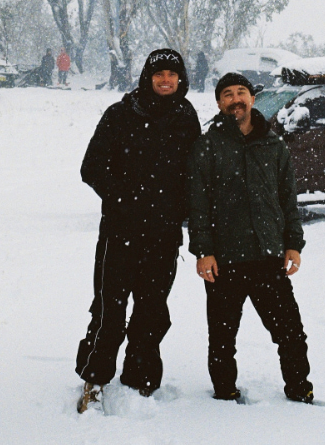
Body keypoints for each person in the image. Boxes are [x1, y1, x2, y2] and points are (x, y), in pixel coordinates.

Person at [75, 48, 201, 413]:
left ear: (181, 80)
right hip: (120, 233)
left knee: (151, 310)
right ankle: (94, 379)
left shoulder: (186, 117)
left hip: (163, 236)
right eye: (158, 74)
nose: (165, 80)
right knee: (108, 310)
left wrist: (180, 212)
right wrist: (123, 200)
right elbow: (91, 168)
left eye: (172, 75)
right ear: (147, 77)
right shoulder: (120, 114)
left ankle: (140, 381)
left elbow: (194, 175)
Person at [188, 72, 314, 404]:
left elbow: (288, 199)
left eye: (240, 92)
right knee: (222, 337)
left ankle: (300, 389)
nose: (235, 99)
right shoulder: (207, 146)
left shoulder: (274, 145)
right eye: (227, 94)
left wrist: (293, 244)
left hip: (267, 256)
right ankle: (225, 392)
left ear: (252, 99)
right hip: (223, 261)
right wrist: (203, 251)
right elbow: (197, 203)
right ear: (219, 102)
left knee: (290, 332)